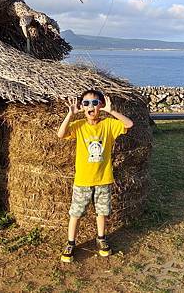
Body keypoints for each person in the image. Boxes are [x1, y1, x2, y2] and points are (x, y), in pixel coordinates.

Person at [57, 89, 133, 263]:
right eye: (86, 103)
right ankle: (70, 243)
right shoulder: (79, 126)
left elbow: (129, 124)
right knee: (75, 213)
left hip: (103, 179)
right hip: (83, 180)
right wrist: (70, 114)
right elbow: (60, 134)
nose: (90, 106)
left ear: (100, 105)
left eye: (94, 103)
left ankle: (101, 238)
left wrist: (111, 111)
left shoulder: (108, 124)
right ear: (82, 107)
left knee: (102, 212)